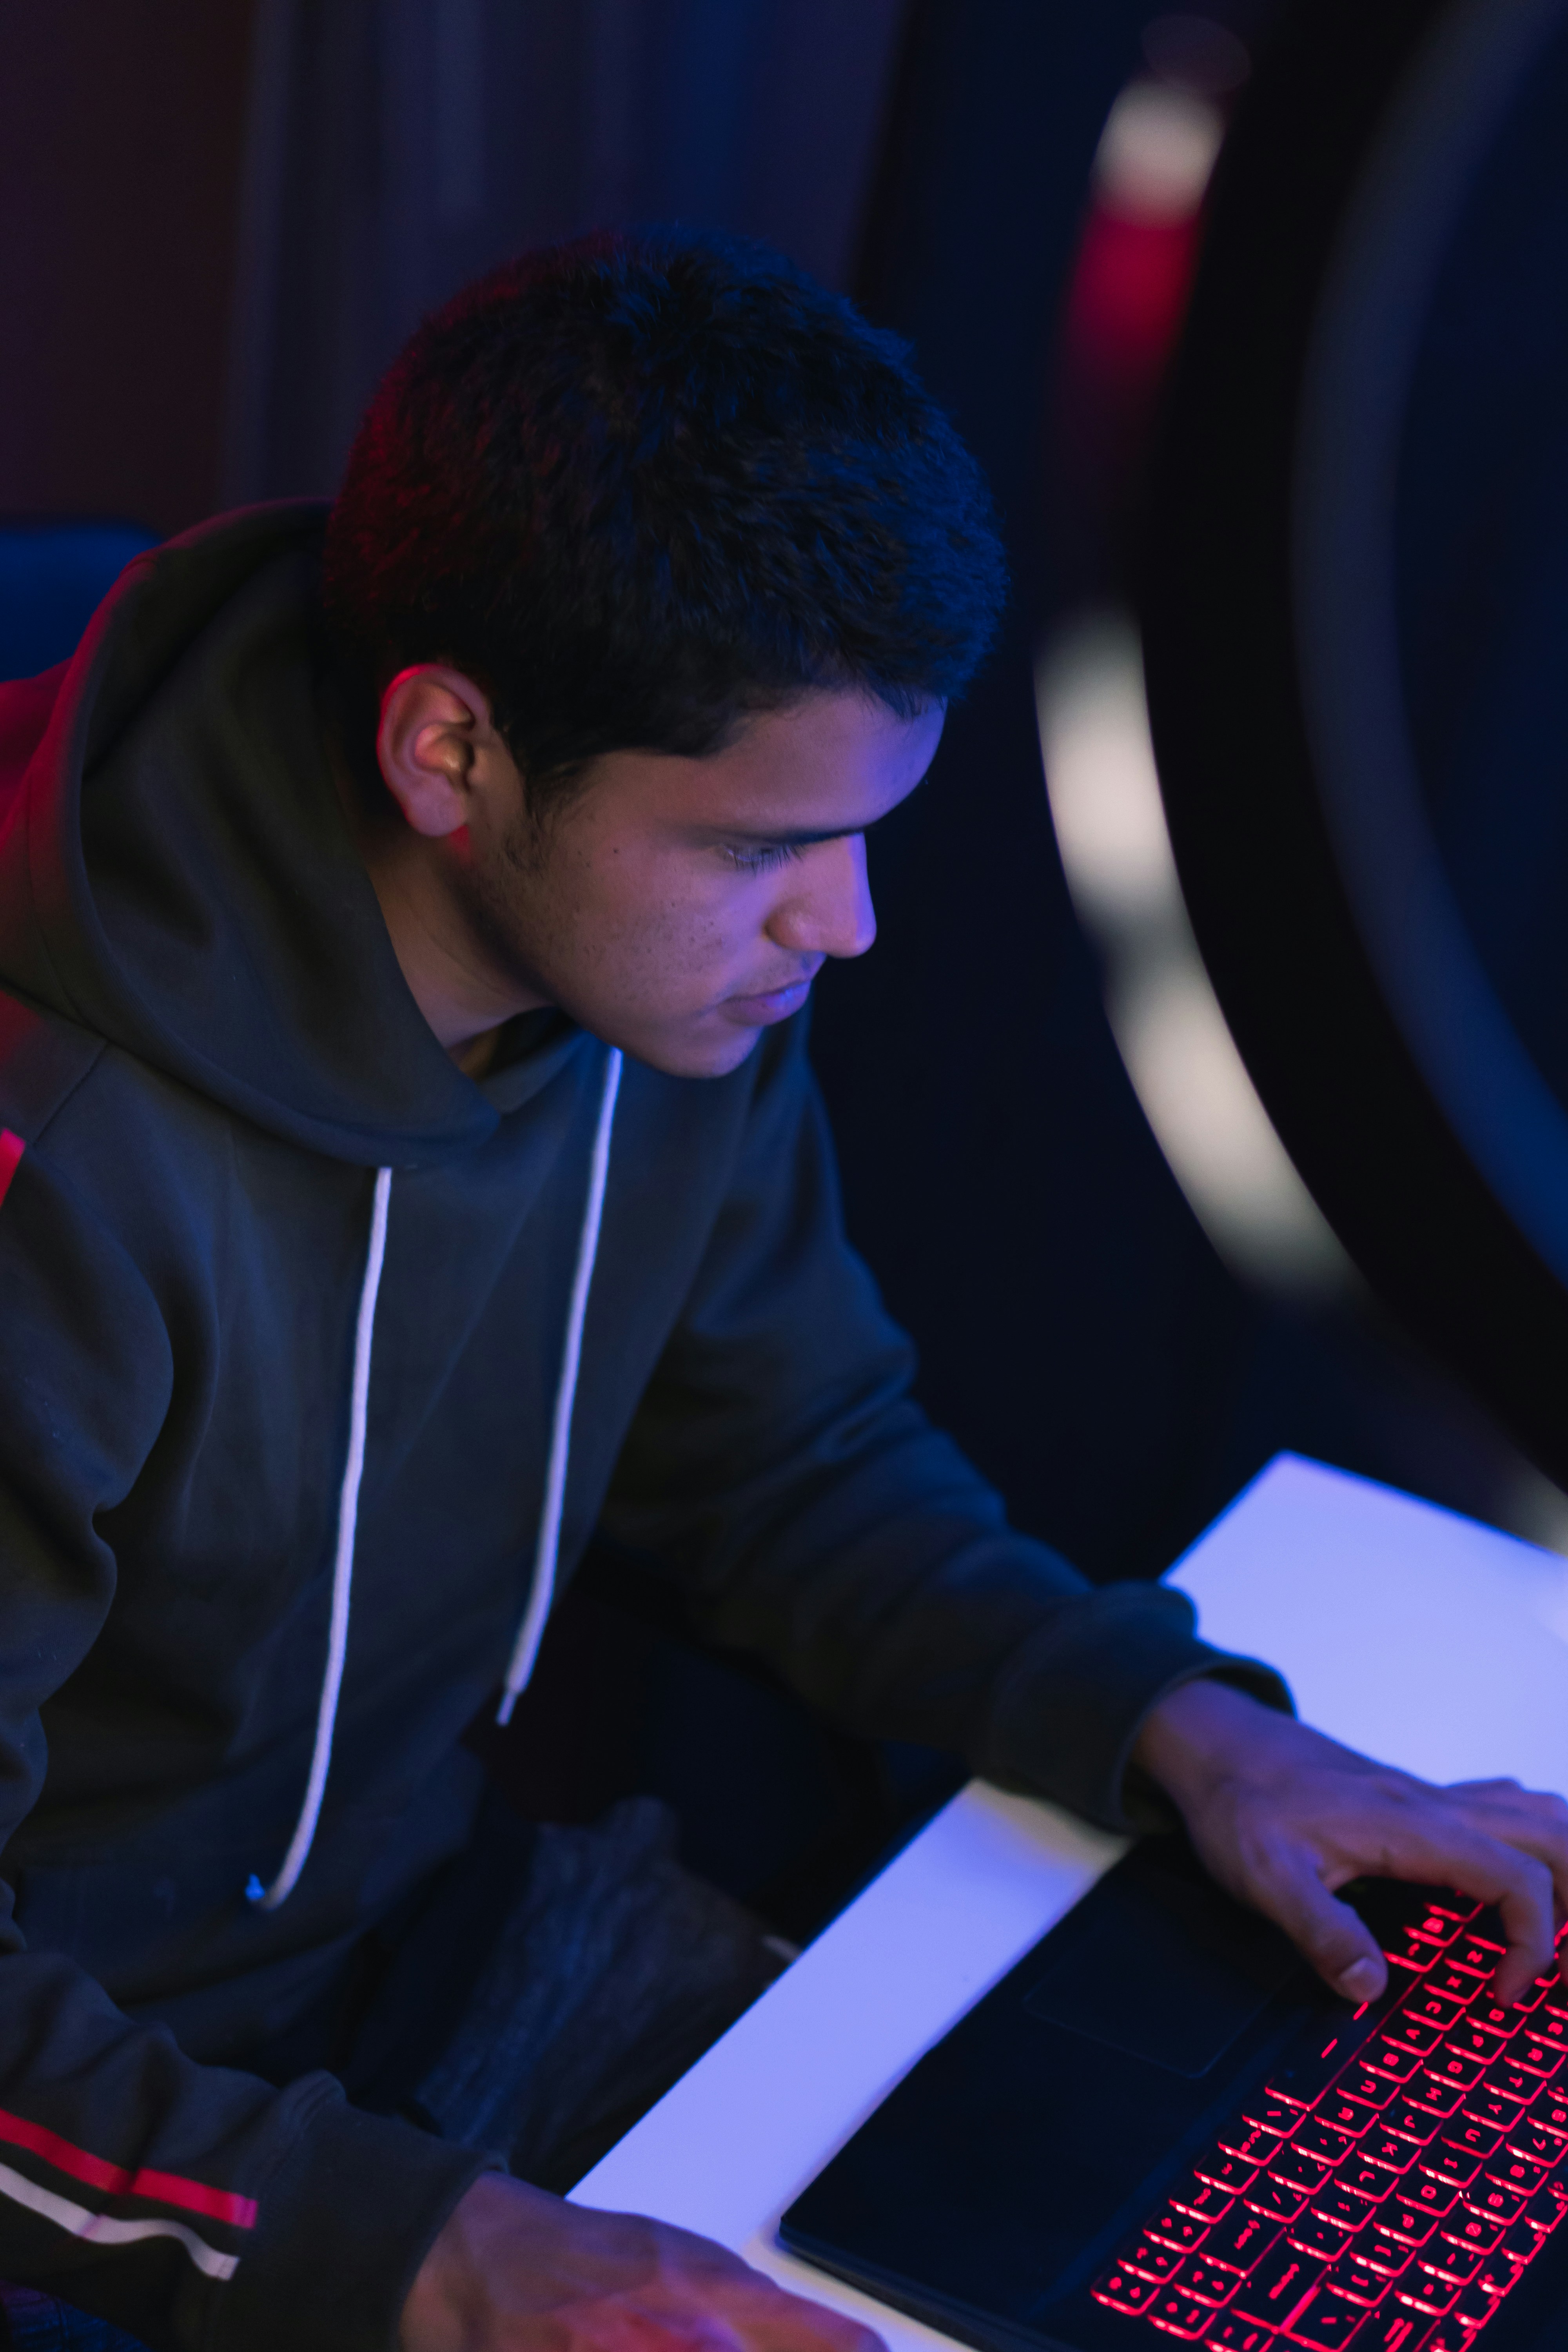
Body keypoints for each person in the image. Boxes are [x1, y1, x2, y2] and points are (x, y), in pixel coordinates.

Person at [0, 231, 1563, 2352]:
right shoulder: (59, 1165)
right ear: (450, 752)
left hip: (429, 1962)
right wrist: (445, 2259)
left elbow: (791, 1463)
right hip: (89, 2146)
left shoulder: (658, 983)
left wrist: (1170, 1720)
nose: (846, 928)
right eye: (759, 848)